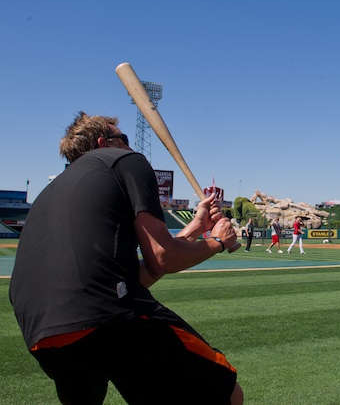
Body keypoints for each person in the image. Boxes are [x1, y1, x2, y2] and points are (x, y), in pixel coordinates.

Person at [9, 112, 244, 405]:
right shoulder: (124, 160)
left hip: (42, 331)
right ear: (103, 142)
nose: (130, 147)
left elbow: (137, 277)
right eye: (125, 139)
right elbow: (163, 258)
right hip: (107, 317)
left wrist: (197, 226)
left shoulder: (53, 190)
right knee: (226, 394)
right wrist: (219, 241)